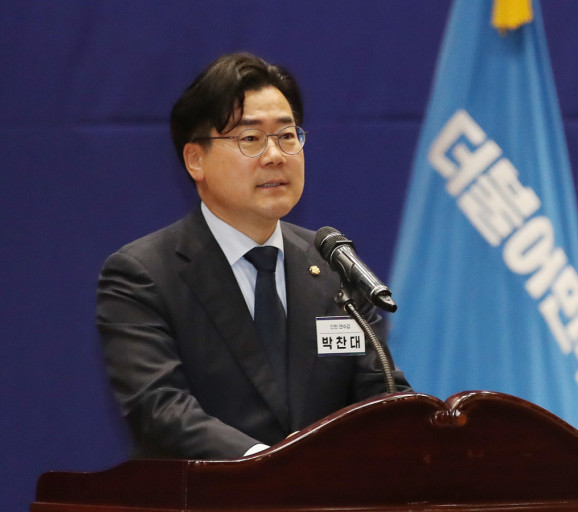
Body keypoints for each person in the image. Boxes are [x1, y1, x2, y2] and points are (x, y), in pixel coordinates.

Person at [96, 52, 410, 460]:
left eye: (287, 135)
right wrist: (270, 467)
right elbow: (159, 408)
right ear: (196, 159)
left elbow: (380, 398)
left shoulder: (333, 267)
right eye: (250, 139)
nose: (275, 155)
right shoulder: (143, 275)